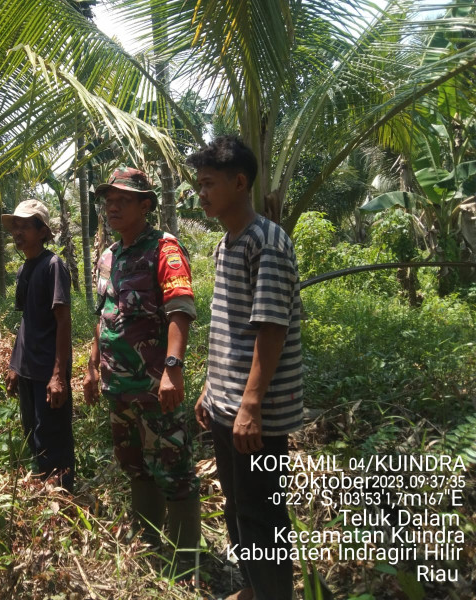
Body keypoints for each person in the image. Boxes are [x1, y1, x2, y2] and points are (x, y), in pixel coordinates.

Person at [189, 136, 303, 600]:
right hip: (225, 404)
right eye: (198, 184)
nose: (201, 192)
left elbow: (271, 329)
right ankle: (256, 589)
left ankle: (276, 593)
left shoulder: (268, 242)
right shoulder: (226, 244)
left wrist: (250, 404)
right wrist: (209, 388)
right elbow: (228, 327)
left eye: (208, 183)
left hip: (257, 412)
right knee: (236, 505)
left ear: (240, 182)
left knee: (261, 512)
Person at [82, 167, 200, 578]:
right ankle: (148, 545)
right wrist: (92, 368)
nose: (111, 206)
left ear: (145, 205)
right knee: (133, 463)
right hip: (118, 388)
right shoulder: (108, 257)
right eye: (107, 200)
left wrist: (172, 369)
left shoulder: (163, 250)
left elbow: (180, 310)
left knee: (174, 467)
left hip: (155, 388)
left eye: (123, 200)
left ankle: (186, 559)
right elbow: (104, 317)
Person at [3, 199, 75, 492]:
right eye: (15, 226)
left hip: (48, 373)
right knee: (33, 436)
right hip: (28, 371)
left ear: (43, 231)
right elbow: (27, 323)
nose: (18, 232)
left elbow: (63, 321)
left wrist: (59, 375)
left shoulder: (53, 266)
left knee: (53, 439)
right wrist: (14, 364)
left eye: (25, 226)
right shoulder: (25, 269)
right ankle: (45, 499)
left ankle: (64, 499)